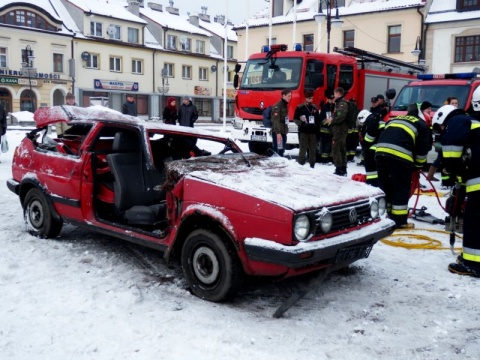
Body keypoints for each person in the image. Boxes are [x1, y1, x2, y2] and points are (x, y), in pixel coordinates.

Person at [431, 98, 480, 277]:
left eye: (440, 128)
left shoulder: (458, 121)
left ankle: (473, 264)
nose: (442, 132)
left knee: (475, 220)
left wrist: (453, 174)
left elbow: (451, 154)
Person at [375, 103, 430, 228]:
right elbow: (422, 150)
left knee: (385, 186)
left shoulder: (396, 119)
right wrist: (418, 166)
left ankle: (384, 215)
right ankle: (399, 221)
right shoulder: (421, 124)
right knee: (400, 188)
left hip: (380, 153)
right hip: (400, 156)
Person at [325, 87, 349, 176]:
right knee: (341, 149)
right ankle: (342, 168)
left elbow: (341, 116)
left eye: (334, 94)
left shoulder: (342, 104)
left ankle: (339, 168)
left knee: (336, 149)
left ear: (338, 93)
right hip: (338, 130)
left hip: (340, 130)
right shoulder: (337, 103)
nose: (333, 96)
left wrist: (332, 120)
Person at [357, 109, 385, 187]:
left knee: (369, 158)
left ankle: (372, 182)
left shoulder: (371, 119)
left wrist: (364, 143)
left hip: (380, 145)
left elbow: (370, 136)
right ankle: (376, 181)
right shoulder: (375, 118)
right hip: (383, 144)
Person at [293, 90, 319, 168]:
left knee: (312, 149)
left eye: (312, 98)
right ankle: (301, 163)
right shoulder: (300, 107)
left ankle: (312, 164)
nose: (311, 100)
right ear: (306, 98)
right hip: (303, 131)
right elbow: (295, 119)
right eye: (310, 98)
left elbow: (318, 119)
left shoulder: (315, 107)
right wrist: (301, 124)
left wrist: (317, 128)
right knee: (303, 148)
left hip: (312, 131)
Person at [271, 89, 292, 157]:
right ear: (283, 96)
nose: (290, 98)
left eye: (290, 96)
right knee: (277, 151)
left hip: (283, 131)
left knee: (281, 150)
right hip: (278, 133)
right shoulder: (277, 106)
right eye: (289, 96)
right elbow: (275, 120)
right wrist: (278, 133)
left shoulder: (285, 105)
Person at [318, 92, 335, 164]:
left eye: (332, 99)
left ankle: (331, 159)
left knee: (331, 145)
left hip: (332, 130)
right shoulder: (324, 107)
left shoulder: (335, 107)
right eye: (330, 99)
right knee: (325, 145)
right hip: (325, 130)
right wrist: (327, 121)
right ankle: (324, 159)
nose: (331, 101)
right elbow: (321, 119)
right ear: (327, 99)